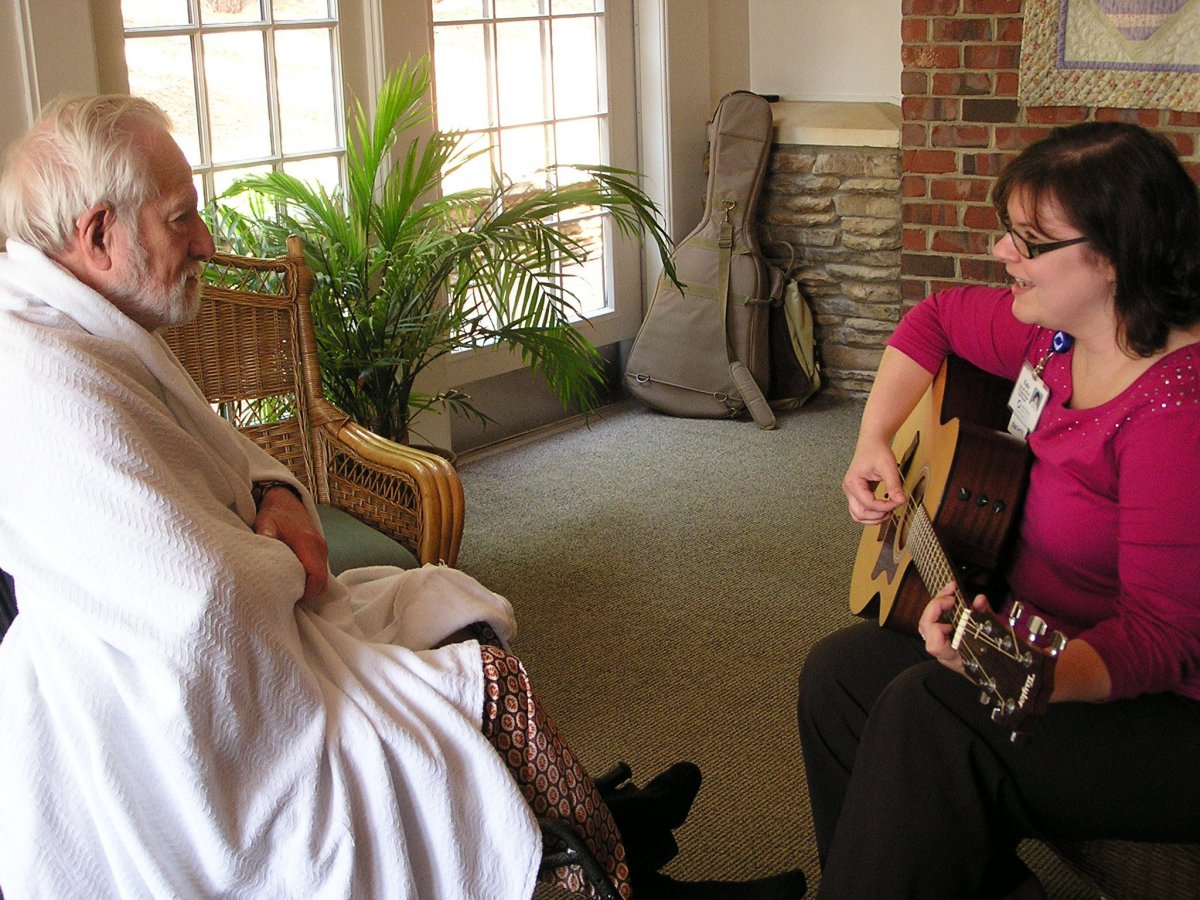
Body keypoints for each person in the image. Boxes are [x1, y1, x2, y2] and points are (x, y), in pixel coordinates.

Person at [0, 95, 807, 900]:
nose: (206, 242)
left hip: (250, 632)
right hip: (176, 720)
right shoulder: (39, 383)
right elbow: (201, 602)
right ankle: (624, 876)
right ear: (98, 234)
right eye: (181, 220)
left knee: (459, 619)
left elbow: (226, 454)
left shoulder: (92, 326)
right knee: (488, 690)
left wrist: (275, 494)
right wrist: (291, 560)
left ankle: (601, 828)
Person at [798, 121, 1200, 899]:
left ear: (1115, 256)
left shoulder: (1176, 416)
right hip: (1037, 636)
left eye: (1028, 241)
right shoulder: (1053, 337)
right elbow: (936, 318)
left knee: (930, 710)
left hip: (1162, 711)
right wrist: (873, 439)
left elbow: (1164, 639)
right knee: (839, 675)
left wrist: (1032, 672)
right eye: (1006, 232)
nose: (1001, 254)